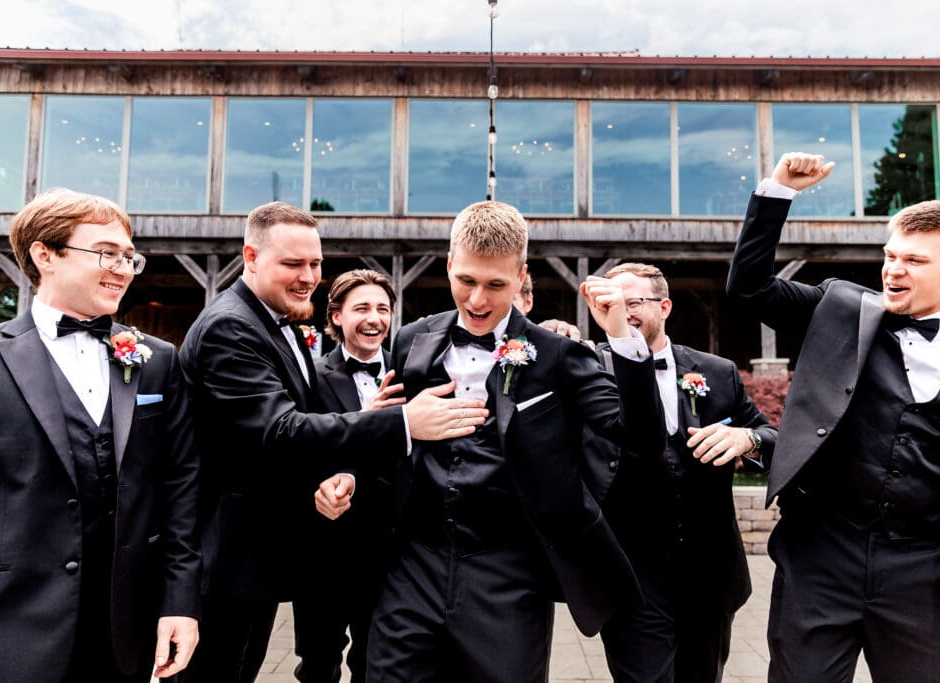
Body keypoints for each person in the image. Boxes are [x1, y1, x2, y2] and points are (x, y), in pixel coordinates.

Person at [179, 202, 487, 682]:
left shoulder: (270, 322)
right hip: (228, 557)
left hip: (270, 557)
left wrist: (336, 473)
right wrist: (404, 422)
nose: (308, 276)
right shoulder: (230, 325)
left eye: (316, 264)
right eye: (293, 264)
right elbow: (279, 430)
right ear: (251, 256)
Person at [727, 152, 940, 682]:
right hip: (820, 556)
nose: (893, 270)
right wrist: (778, 191)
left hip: (926, 573)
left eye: (915, 261)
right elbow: (749, 290)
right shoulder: (840, 308)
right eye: (890, 255)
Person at [365, 199, 665, 682]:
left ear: (521, 275)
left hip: (508, 574)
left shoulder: (559, 356)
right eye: (466, 281)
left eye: (496, 285)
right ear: (448, 266)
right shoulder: (412, 341)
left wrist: (623, 338)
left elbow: (641, 441)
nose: (478, 300)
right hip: (412, 567)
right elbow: (393, 437)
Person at [0, 188, 200, 682]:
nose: (123, 268)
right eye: (106, 253)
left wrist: (180, 603)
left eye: (129, 257)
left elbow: (180, 490)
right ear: (45, 255)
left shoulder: (158, 360)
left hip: (128, 626)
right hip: (7, 625)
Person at [583, 262, 775, 683]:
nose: (623, 311)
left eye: (633, 302)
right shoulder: (587, 370)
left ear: (664, 306)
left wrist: (749, 439)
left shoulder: (717, 371)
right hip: (630, 575)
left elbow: (771, 434)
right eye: (610, 303)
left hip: (708, 573)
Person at [297, 268, 403, 682]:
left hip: (392, 550)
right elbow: (299, 449)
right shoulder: (311, 376)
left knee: (376, 662)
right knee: (319, 663)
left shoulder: (410, 371)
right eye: (361, 308)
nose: (374, 318)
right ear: (337, 316)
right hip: (325, 549)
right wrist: (365, 420)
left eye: (383, 308)